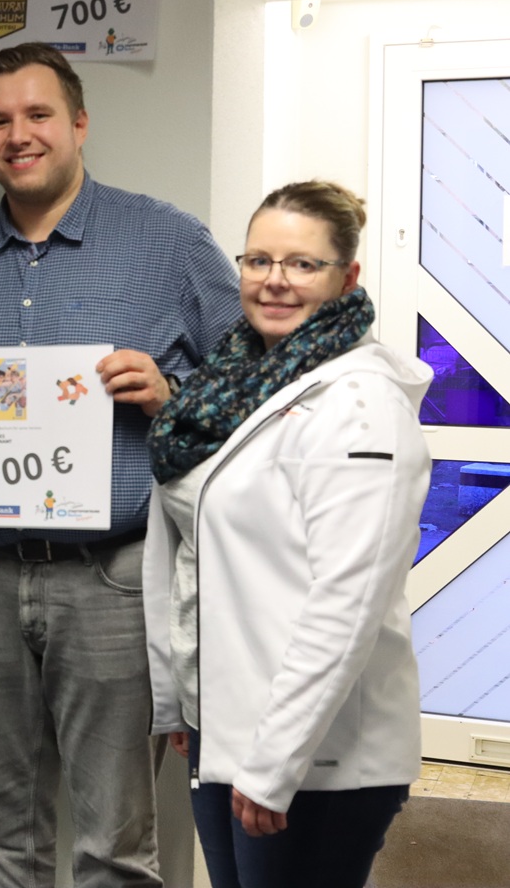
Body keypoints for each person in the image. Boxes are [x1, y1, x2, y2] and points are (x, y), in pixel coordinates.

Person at [0, 42, 240, 887]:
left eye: (38, 114)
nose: (19, 134)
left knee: (113, 833)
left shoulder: (168, 241)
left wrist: (170, 394)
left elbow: (254, 393)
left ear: (79, 122)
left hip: (111, 580)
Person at [144, 181, 430, 888]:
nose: (275, 280)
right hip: (230, 726)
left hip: (313, 757)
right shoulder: (237, 385)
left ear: (347, 279)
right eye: (258, 259)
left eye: (303, 264)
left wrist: (273, 764)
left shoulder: (360, 408)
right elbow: (205, 560)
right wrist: (190, 700)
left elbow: (346, 604)